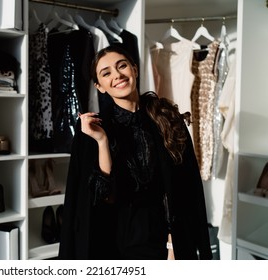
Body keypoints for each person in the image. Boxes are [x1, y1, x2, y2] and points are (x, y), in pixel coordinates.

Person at [58, 45, 212, 260]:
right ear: (99, 86)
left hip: (163, 240)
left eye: (122, 66)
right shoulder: (92, 130)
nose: (117, 75)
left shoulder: (167, 119)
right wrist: (102, 141)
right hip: (115, 243)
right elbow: (103, 198)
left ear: (135, 70)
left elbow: (186, 188)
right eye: (106, 73)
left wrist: (172, 243)